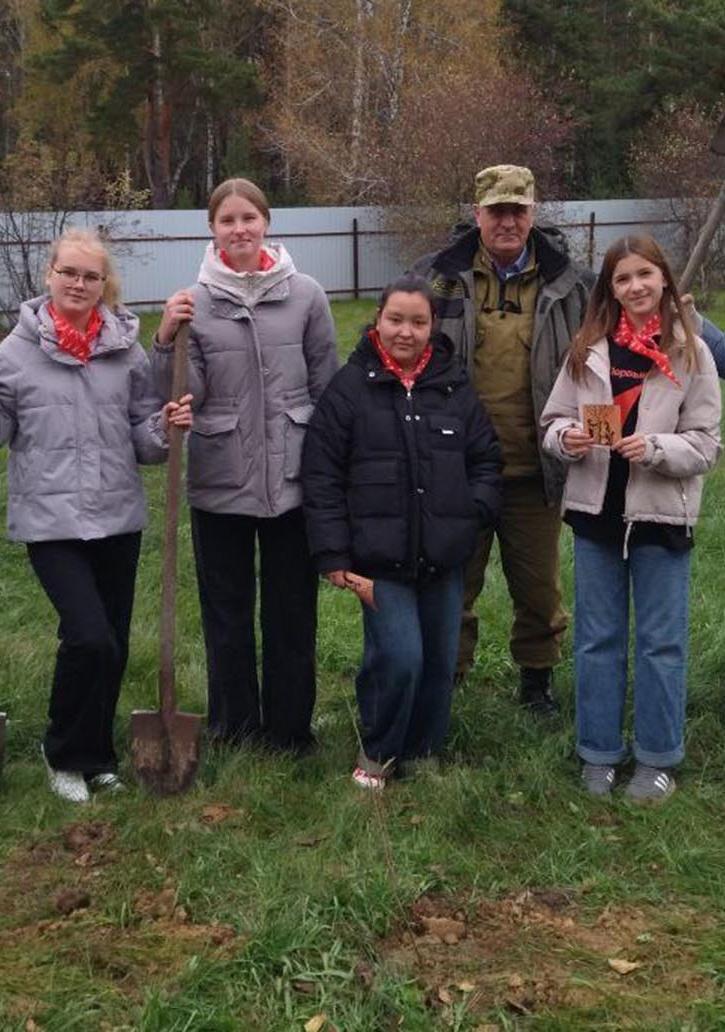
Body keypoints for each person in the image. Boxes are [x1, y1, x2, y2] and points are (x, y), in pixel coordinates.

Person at [0, 228, 192, 803]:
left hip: (116, 515)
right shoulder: (13, 355)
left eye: (91, 276)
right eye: (69, 273)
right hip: (51, 519)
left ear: (104, 284)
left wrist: (165, 426)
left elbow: (141, 438)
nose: (79, 284)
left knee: (113, 641)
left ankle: (98, 755)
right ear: (49, 276)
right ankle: (61, 753)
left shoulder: (123, 350)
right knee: (88, 638)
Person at [153, 177, 338, 753]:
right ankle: (235, 726)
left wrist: (330, 470)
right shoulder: (194, 302)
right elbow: (185, 397)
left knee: (291, 611)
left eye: (248, 218)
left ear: (267, 223)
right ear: (212, 229)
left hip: (291, 479)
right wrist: (164, 340)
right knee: (227, 613)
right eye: (227, 220)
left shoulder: (306, 294)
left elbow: (327, 383)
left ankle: (289, 730)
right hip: (220, 478)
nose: (239, 229)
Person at [302, 275, 502, 788]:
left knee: (438, 660)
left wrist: (472, 510)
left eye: (418, 322)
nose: (406, 332)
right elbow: (322, 475)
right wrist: (333, 553)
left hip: (443, 557)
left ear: (433, 327)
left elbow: (485, 459)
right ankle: (380, 749)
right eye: (396, 320)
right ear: (377, 321)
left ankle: (424, 749)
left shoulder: (453, 387)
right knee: (400, 656)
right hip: (379, 559)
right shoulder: (349, 389)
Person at [541, 235, 721, 802]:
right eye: (622, 279)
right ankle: (598, 753)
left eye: (644, 274)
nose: (635, 287)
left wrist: (658, 450)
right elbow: (552, 420)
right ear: (610, 290)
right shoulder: (587, 349)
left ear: (664, 278)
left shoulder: (692, 352)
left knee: (660, 644)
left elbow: (706, 444)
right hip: (597, 518)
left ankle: (657, 757)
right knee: (597, 639)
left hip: (662, 520)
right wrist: (564, 439)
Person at [414, 165, 592, 715]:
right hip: (457, 470)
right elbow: (393, 349)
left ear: (534, 212)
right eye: (498, 211)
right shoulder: (436, 278)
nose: (508, 221)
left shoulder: (574, 283)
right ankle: (449, 677)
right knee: (452, 584)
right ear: (478, 215)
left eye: (518, 209)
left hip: (537, 469)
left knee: (539, 590)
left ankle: (536, 682)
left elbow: (629, 335)